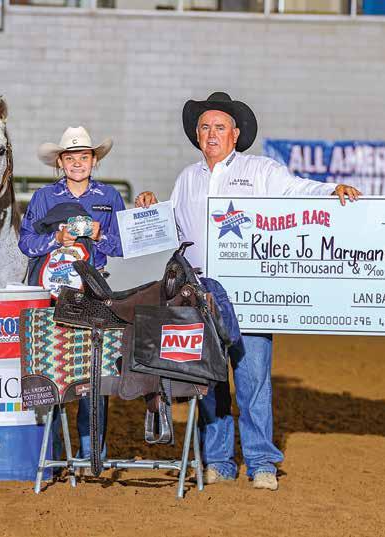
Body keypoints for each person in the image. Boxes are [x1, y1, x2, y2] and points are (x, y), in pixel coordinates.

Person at [135, 92, 360, 491]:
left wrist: (330, 191)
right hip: (201, 295)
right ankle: (219, 460)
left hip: (251, 295)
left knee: (253, 379)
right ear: (197, 135)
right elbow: (175, 227)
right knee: (209, 382)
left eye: (220, 127)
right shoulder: (187, 179)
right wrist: (150, 210)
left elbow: (296, 190)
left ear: (235, 134)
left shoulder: (260, 170)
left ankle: (260, 462)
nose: (211, 134)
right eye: (205, 127)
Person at [19, 126, 126, 462]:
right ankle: (51, 455)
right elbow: (26, 242)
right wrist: (56, 240)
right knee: (51, 371)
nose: (77, 163)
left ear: (94, 160)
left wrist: (98, 235)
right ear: (60, 162)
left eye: (84, 156)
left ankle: (90, 454)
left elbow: (123, 245)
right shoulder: (43, 197)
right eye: (70, 158)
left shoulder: (110, 197)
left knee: (95, 373)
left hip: (94, 290)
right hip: (52, 293)